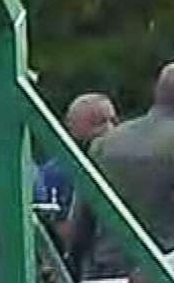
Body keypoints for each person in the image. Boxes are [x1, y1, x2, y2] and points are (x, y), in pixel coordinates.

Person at [71, 65, 174, 279]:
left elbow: (83, 219)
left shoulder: (103, 145)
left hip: (105, 270)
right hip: (169, 275)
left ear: (156, 93)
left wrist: (74, 263)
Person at [35, 92, 117, 221]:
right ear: (71, 125)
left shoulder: (123, 169)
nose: (108, 129)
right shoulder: (52, 175)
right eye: (97, 122)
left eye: (113, 121)